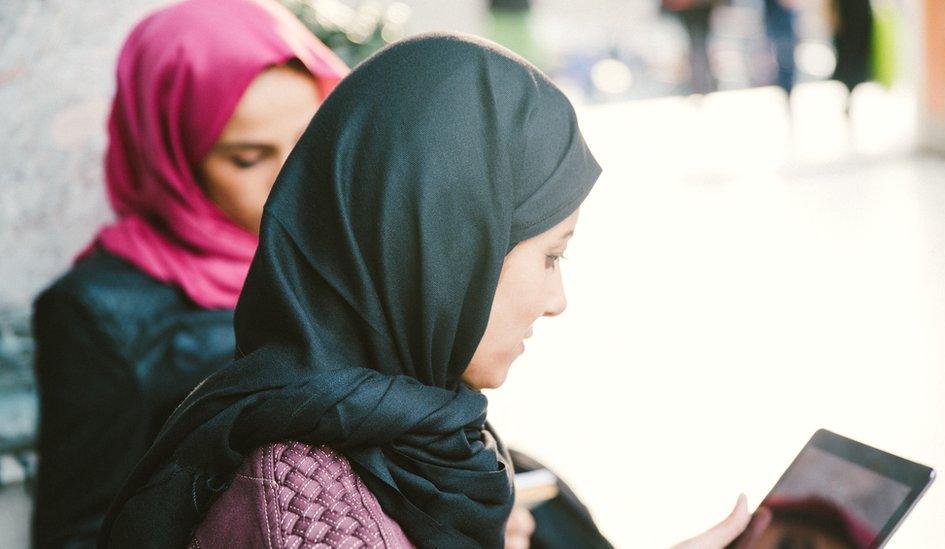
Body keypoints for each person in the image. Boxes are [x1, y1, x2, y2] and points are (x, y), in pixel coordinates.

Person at [98, 33, 753, 549]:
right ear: (448, 253)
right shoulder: (303, 495)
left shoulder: (417, 429)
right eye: (551, 255)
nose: (557, 299)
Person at [30, 1, 348, 547]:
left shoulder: (345, 263)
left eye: (309, 141)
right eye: (248, 157)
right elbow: (81, 531)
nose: (293, 178)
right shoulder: (98, 312)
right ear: (171, 155)